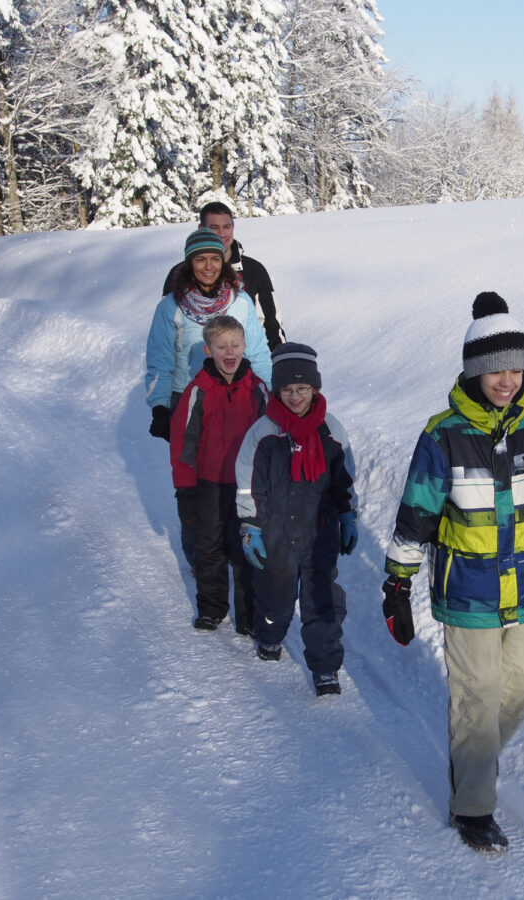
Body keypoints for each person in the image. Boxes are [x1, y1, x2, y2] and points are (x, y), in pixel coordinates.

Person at [380, 291, 524, 853]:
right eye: (495, 370)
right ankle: (472, 807)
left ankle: (474, 758)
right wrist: (398, 581)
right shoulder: (443, 435)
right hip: (467, 592)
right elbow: (416, 514)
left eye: (516, 368)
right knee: (478, 692)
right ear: (474, 371)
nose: (507, 380)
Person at [235, 343, 358, 697]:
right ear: (277, 391)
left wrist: (348, 515)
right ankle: (270, 637)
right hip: (274, 532)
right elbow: (248, 484)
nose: (295, 397)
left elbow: (344, 480)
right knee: (276, 595)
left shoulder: (331, 430)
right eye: (287, 390)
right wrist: (249, 526)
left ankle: (325, 668)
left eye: (302, 389)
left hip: (320, 533)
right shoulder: (264, 432)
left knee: (322, 600)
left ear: (315, 389)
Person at [146, 227, 273, 565]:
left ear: (223, 261)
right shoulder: (170, 307)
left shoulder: (240, 301)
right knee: (196, 479)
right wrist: (159, 406)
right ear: (189, 263)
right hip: (189, 402)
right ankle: (201, 552)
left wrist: (269, 398)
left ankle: (237, 543)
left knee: (239, 474)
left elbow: (258, 352)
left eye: (214, 259)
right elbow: (160, 360)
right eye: (200, 259)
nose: (207, 266)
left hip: (239, 397)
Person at [169, 315, 268, 634]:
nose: (229, 352)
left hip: (246, 487)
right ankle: (212, 608)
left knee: (245, 549)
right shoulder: (198, 390)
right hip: (208, 485)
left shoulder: (257, 389)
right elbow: (183, 444)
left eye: (235, 345)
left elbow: (270, 440)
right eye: (221, 346)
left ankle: (249, 616)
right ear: (209, 350)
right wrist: (185, 491)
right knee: (209, 546)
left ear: (244, 347)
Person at [163, 201, 286, 355]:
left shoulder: (253, 270)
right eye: (214, 227)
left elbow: (272, 325)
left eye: (226, 227)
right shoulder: (180, 274)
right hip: (193, 369)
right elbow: (166, 332)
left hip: (246, 368)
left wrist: (280, 361)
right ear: (201, 229)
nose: (222, 233)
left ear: (233, 227)